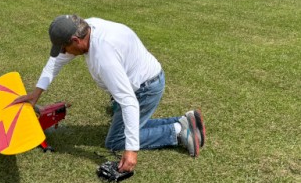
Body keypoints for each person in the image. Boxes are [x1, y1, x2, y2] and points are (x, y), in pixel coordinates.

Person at [13, 14, 205, 173]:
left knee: (116, 140)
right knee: (126, 124)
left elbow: (129, 102)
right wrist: (36, 93)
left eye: (64, 48)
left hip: (144, 89)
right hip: (145, 79)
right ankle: (184, 121)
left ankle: (179, 132)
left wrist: (131, 150)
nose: (63, 52)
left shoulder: (104, 56)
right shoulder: (86, 27)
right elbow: (56, 61)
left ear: (75, 40)